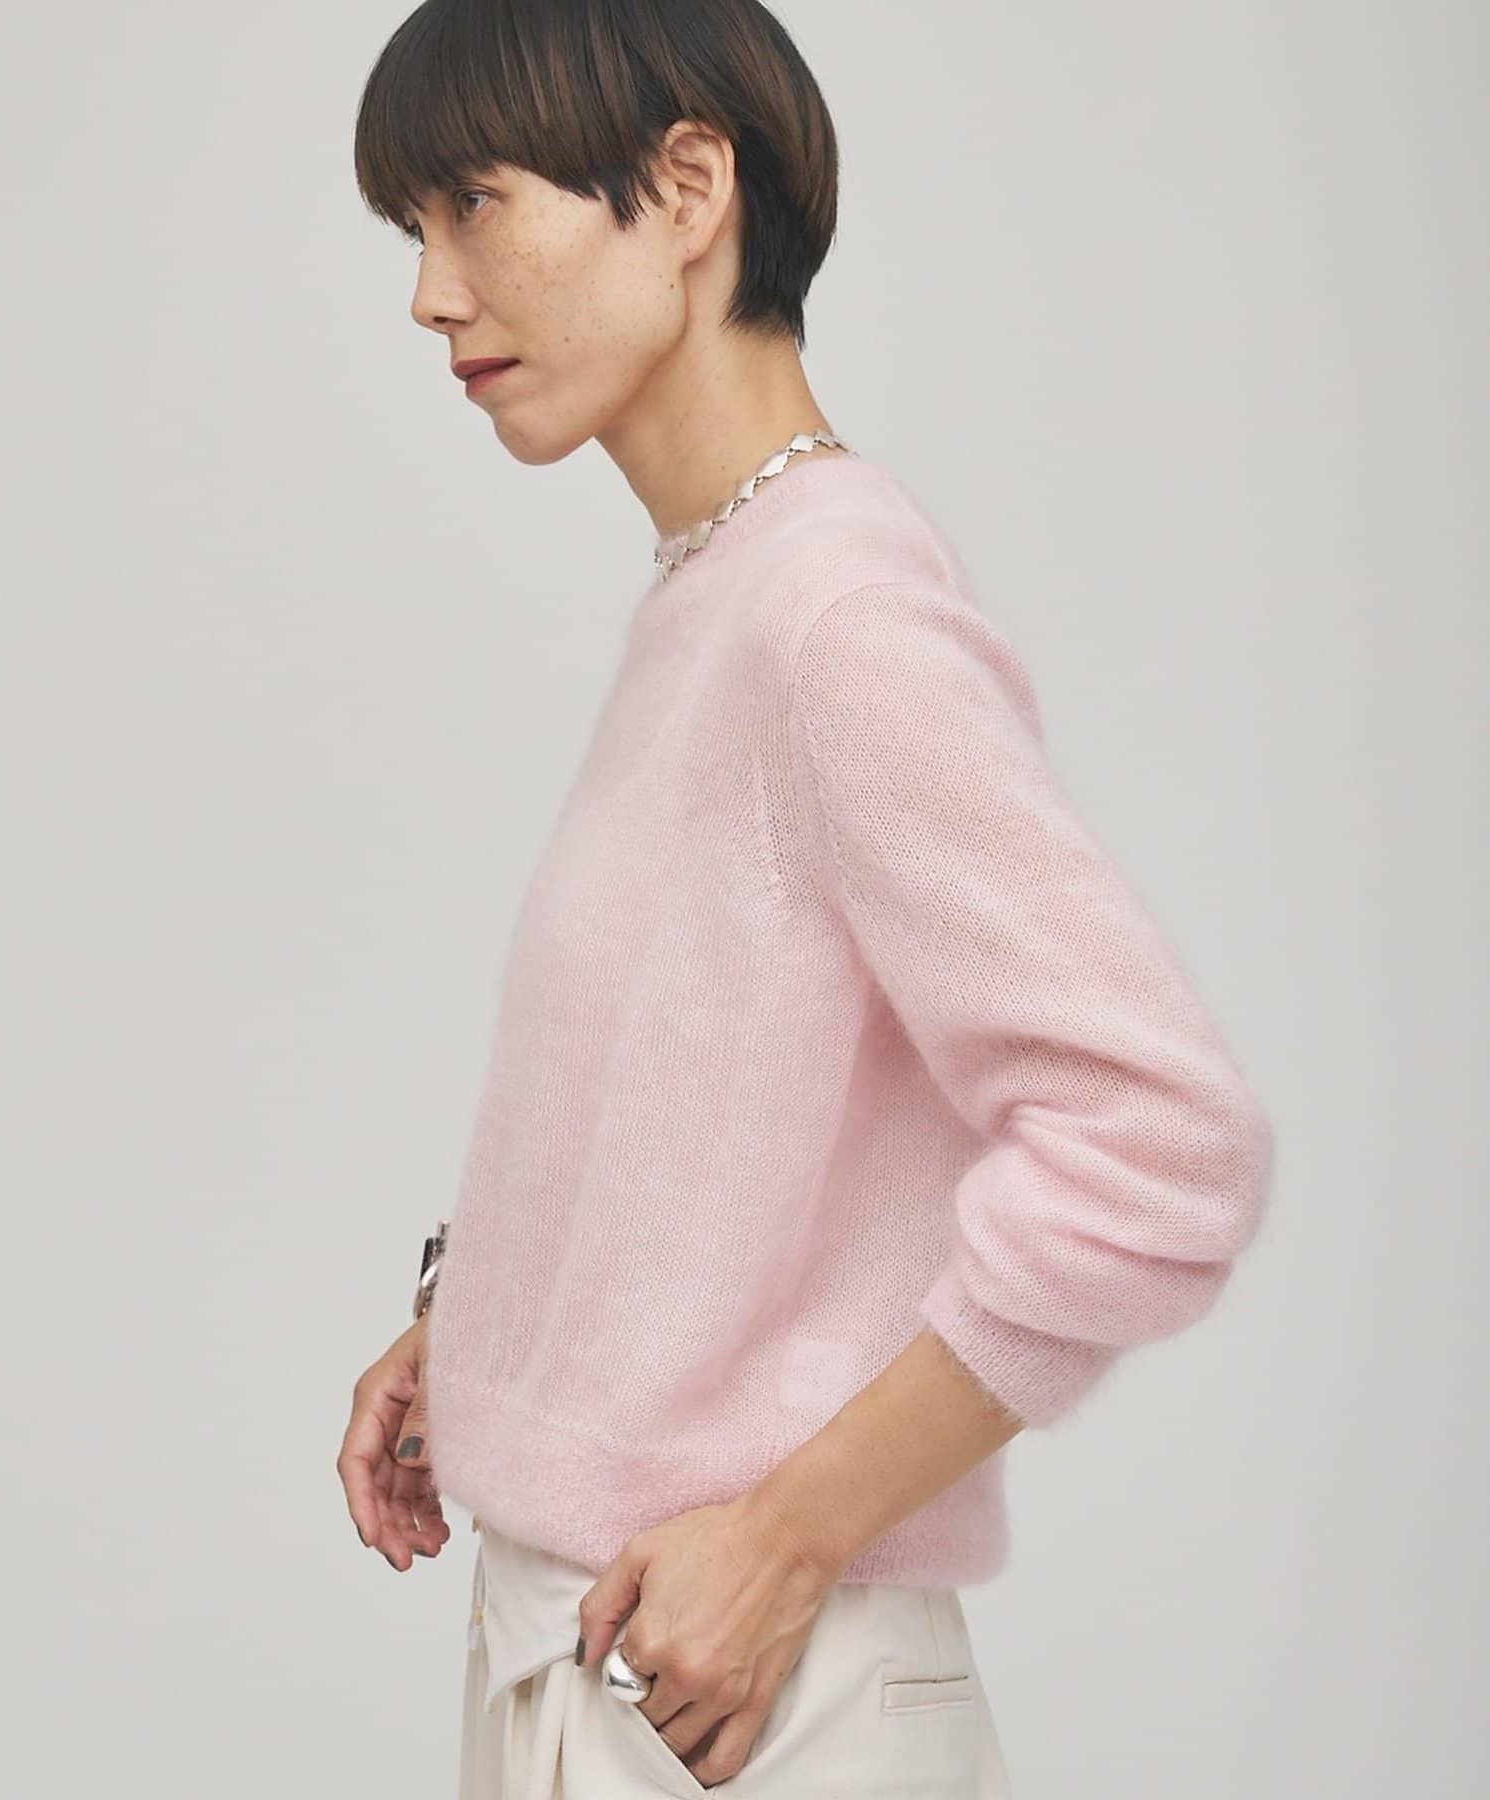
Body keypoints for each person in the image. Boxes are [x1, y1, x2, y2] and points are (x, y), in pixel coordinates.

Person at [335, 2, 1276, 1795]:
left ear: (689, 188)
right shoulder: (722, 594)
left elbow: (1161, 1146)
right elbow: (707, 1106)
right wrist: (484, 1322)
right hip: (604, 1665)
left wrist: (791, 1533)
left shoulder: (836, 618)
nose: (434, 294)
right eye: (416, 229)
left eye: (475, 204)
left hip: (743, 1705)